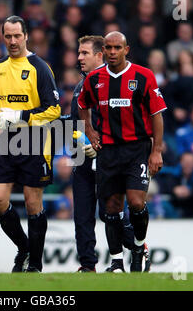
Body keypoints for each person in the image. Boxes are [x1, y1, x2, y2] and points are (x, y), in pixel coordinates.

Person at [0, 15, 61, 272]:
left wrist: (21, 115)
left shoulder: (40, 68)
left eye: (17, 35)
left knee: (32, 203)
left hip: (35, 141)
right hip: (6, 142)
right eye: (8, 36)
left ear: (26, 36)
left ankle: (35, 266)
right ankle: (24, 247)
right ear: (2, 37)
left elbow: (54, 109)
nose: (13, 41)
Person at [78, 31, 167, 272]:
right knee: (111, 207)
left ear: (126, 50)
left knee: (136, 203)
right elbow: (81, 104)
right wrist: (89, 129)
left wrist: (156, 151)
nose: (113, 52)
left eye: (117, 47)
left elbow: (156, 115)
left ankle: (138, 247)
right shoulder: (94, 79)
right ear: (103, 51)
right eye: (108, 48)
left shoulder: (143, 76)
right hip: (108, 149)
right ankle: (116, 262)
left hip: (137, 148)